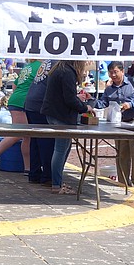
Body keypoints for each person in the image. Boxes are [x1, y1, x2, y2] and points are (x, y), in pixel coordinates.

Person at [87, 61, 134, 189]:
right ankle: (123, 181)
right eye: (111, 73)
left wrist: (130, 104)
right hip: (119, 123)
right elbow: (103, 103)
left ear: (122, 71)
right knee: (122, 154)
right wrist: (90, 100)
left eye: (116, 72)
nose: (113, 75)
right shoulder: (109, 89)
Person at [41, 60, 92, 194]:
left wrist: (78, 100)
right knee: (60, 150)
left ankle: (58, 182)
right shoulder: (67, 72)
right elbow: (69, 99)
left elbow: (65, 96)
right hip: (61, 116)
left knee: (63, 148)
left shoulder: (58, 69)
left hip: (52, 113)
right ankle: (56, 185)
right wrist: (85, 107)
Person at [0, 59, 39, 175]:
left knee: (26, 136)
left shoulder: (27, 67)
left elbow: (15, 85)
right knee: (18, 134)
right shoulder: (41, 66)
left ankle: (27, 168)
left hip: (16, 99)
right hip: (22, 102)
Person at [23, 60, 55, 185]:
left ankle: (34, 174)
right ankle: (47, 176)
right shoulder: (59, 64)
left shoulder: (48, 62)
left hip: (31, 103)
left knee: (35, 141)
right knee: (46, 141)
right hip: (39, 105)